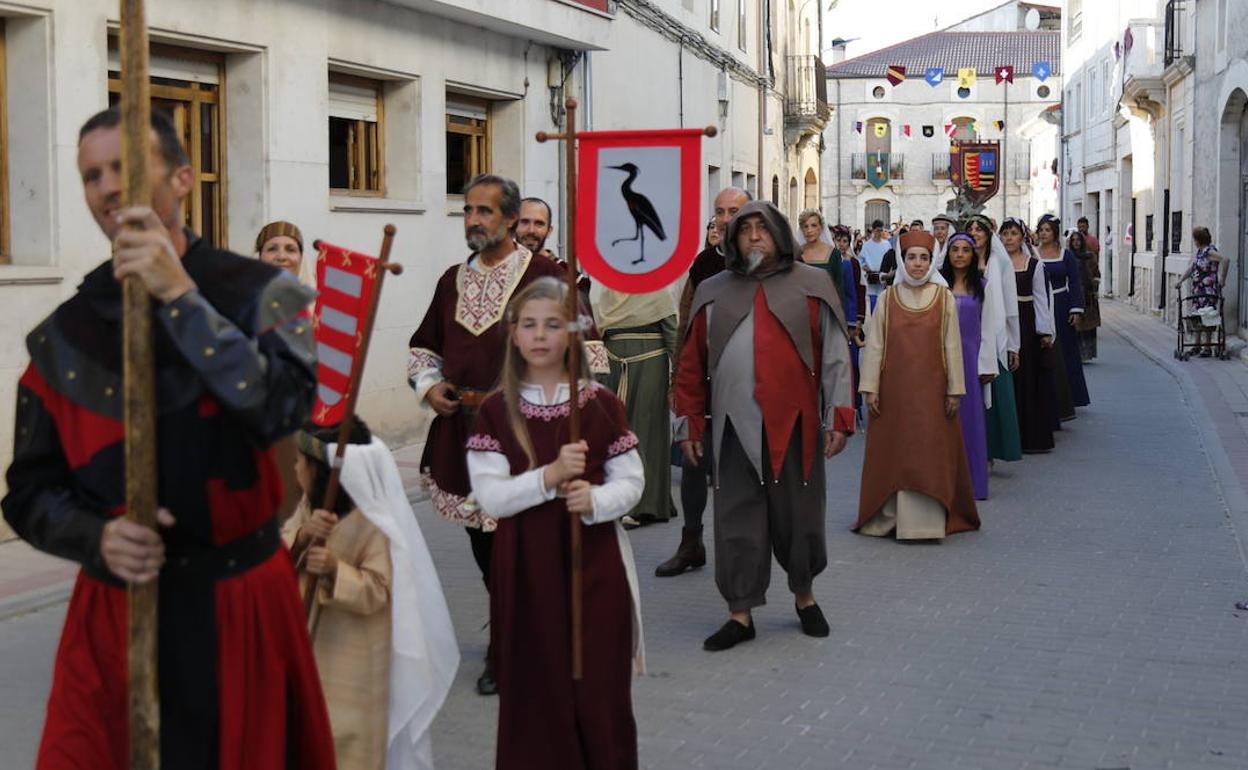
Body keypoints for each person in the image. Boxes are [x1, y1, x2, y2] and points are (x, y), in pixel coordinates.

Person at [2, 107, 334, 768]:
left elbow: (281, 413)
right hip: (116, 608)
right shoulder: (64, 334)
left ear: (183, 177)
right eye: (91, 174)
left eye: (124, 165)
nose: (105, 186)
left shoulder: (267, 292)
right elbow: (28, 493)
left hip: (239, 605)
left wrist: (181, 297)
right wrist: (94, 536)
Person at [467, 277, 644, 769]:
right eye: (529, 325)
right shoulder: (495, 411)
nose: (541, 335)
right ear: (514, 334)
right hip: (527, 568)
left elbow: (633, 484)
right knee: (535, 694)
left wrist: (596, 499)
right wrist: (547, 477)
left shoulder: (602, 406)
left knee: (597, 694)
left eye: (553, 324)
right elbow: (492, 498)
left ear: (572, 334)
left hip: (594, 567)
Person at [408, 173, 574, 695]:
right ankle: (514, 630)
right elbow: (423, 348)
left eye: (484, 212)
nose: (474, 220)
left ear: (508, 218)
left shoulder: (545, 275)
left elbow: (583, 357)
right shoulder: (450, 279)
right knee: (484, 548)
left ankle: (513, 643)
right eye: (468, 211)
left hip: (525, 437)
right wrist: (430, 389)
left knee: (519, 547)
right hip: (462, 432)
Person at [674, 200, 855, 651]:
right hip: (732, 428)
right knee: (736, 519)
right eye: (744, 229)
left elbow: (835, 355)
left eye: (762, 228)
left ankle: (805, 598)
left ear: (779, 234)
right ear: (732, 238)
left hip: (796, 425)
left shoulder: (813, 284)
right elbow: (691, 365)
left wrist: (839, 415)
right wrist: (690, 424)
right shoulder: (712, 289)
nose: (753, 236)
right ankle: (740, 613)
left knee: (800, 516)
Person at [285, 420, 459, 770]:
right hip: (306, 646)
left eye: (301, 461)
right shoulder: (306, 509)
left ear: (320, 470)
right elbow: (282, 550)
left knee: (350, 745)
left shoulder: (374, 525)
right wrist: (302, 538)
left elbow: (380, 589)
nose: (295, 467)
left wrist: (336, 570)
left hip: (357, 657)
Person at [856, 230, 980, 540]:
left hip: (932, 392)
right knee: (895, 451)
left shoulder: (943, 297)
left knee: (928, 451)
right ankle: (889, 517)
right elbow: (875, 345)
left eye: (924, 258)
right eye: (911, 257)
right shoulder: (887, 298)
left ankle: (927, 520)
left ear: (932, 261)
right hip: (894, 391)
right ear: (901, 259)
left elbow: (953, 346)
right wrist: (870, 386)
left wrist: (955, 390)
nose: (917, 264)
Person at [657, 186, 751, 578]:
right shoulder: (702, 264)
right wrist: (679, 378)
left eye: (733, 211)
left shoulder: (766, 264)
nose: (725, 218)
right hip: (703, 382)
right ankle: (691, 541)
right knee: (694, 464)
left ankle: (745, 552)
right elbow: (685, 320)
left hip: (748, 388)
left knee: (744, 470)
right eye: (719, 211)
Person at [592, 281, 678, 529]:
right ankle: (618, 499)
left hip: (649, 365)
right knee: (614, 433)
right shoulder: (606, 291)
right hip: (612, 367)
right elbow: (598, 335)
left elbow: (672, 333)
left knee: (645, 429)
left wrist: (679, 379)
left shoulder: (659, 290)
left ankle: (645, 505)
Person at [940, 234, 998, 500]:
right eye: (955, 249)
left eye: (965, 250)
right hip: (941, 359)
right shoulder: (938, 287)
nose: (960, 254)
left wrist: (987, 364)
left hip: (971, 357)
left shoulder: (983, 286)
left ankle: (972, 484)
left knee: (970, 419)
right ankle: (943, 481)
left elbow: (989, 327)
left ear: (973, 255)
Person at [967, 215, 1023, 463]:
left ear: (989, 234)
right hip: (968, 331)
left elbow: (1010, 305)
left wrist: (1013, 344)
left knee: (995, 390)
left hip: (995, 331)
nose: (975, 232)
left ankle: (992, 449)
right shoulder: (961, 258)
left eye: (980, 229)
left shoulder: (1000, 262)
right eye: (971, 229)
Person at [999, 218, 1058, 453]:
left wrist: (1045, 330)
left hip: (1026, 325)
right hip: (1002, 323)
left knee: (1027, 380)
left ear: (1022, 237)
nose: (1009, 238)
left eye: (1013, 234)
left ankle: (1030, 437)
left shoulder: (1034, 265)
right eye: (1005, 234)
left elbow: (1042, 298)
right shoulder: (995, 264)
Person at [1036, 215, 1091, 409]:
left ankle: (1070, 396)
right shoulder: (1032, 254)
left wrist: (1076, 309)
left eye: (1047, 230)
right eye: (1041, 229)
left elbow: (1075, 283)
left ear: (1055, 233)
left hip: (1060, 304)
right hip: (1040, 306)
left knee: (1065, 350)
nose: (1043, 233)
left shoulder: (1065, 255)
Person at [798, 208, 857, 328]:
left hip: (827, 314)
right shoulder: (797, 253)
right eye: (805, 226)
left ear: (820, 228)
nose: (809, 230)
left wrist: (843, 319)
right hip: (802, 314)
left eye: (813, 225)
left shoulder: (833, 254)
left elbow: (839, 287)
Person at [1177, 226, 1229, 357]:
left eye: (1195, 239)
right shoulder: (1200, 252)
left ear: (1198, 240)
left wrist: (1222, 279)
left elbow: (1225, 259)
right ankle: (1197, 345)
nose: (1194, 241)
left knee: (1207, 317)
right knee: (1198, 317)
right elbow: (1192, 268)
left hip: (1208, 290)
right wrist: (1181, 280)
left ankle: (1207, 348)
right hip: (1198, 290)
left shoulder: (1209, 251)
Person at [1068, 231, 1101, 362]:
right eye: (1073, 240)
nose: (1076, 242)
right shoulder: (1068, 256)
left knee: (1088, 327)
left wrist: (1094, 285)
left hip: (1088, 295)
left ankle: (1086, 353)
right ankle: (1075, 354)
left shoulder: (1089, 256)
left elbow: (1096, 273)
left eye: (1078, 240)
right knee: (1076, 326)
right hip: (1075, 295)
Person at [859, 219, 896, 311]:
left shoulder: (886, 244)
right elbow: (861, 259)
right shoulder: (867, 245)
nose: (879, 233)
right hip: (872, 276)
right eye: (877, 230)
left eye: (881, 230)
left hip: (883, 277)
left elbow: (891, 258)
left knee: (883, 303)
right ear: (873, 230)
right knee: (873, 303)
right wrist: (864, 266)